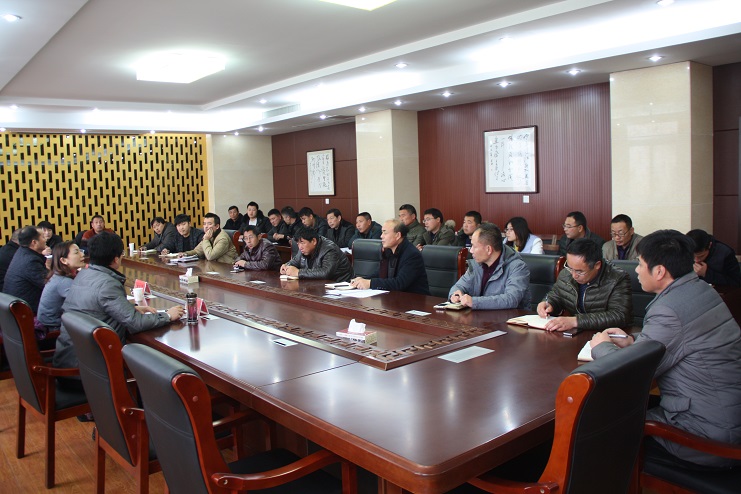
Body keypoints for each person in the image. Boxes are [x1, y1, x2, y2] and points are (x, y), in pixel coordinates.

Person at [590, 230, 741, 468]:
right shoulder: (701, 289)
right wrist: (633, 341)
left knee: (602, 420)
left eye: (640, 264)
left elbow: (632, 376)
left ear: (659, 271)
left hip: (707, 435)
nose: (637, 270)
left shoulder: (668, 309)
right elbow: (680, 337)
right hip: (727, 418)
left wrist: (601, 348)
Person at [53, 232, 184, 390]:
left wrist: (130, 308)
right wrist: (168, 315)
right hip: (89, 373)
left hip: (69, 360)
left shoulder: (84, 274)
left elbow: (96, 307)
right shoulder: (108, 284)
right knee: (154, 368)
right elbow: (135, 323)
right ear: (116, 259)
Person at [537, 238, 632, 332]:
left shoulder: (617, 278)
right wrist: (548, 303)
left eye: (579, 271)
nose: (574, 275)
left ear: (597, 265)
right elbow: (556, 295)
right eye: (570, 268)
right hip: (577, 333)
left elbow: (619, 316)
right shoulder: (566, 273)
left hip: (608, 335)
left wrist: (576, 321)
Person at [449, 223, 531, 309]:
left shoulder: (518, 267)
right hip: (479, 316)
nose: (471, 250)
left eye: (474, 246)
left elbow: (511, 299)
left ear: (488, 249)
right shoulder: (476, 264)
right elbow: (459, 286)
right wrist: (455, 294)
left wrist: (474, 302)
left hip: (509, 317)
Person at [350, 219, 430, 295]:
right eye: (382, 232)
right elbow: (380, 273)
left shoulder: (411, 254)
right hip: (394, 298)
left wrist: (370, 283)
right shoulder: (388, 251)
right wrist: (363, 280)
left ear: (397, 235)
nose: (381, 236)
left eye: (385, 233)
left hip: (414, 299)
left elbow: (399, 283)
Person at [37, 241, 86, 332]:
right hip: (53, 328)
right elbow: (85, 303)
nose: (82, 254)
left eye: (80, 251)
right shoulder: (64, 282)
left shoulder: (59, 275)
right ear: (64, 260)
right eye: (76, 252)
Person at [3, 226, 49, 314]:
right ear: (34, 242)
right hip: (25, 310)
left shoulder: (22, 251)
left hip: (14, 304)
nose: (46, 239)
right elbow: (48, 284)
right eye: (43, 237)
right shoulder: (30, 260)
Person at [280, 228, 353, 282]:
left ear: (314, 241)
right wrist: (286, 266)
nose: (300, 247)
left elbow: (325, 273)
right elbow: (295, 261)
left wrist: (298, 272)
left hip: (340, 286)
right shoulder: (303, 249)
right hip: (319, 285)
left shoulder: (329, 249)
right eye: (298, 243)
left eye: (302, 243)